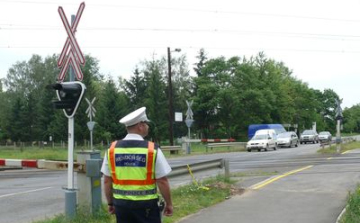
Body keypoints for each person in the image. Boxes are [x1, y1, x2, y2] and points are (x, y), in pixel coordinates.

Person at [101, 107, 173, 223]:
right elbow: (162, 181)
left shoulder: (112, 149)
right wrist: (169, 204)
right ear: (140, 126)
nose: (148, 126)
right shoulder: (152, 149)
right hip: (146, 207)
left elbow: (107, 180)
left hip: (121, 206)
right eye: (146, 124)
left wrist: (110, 203)